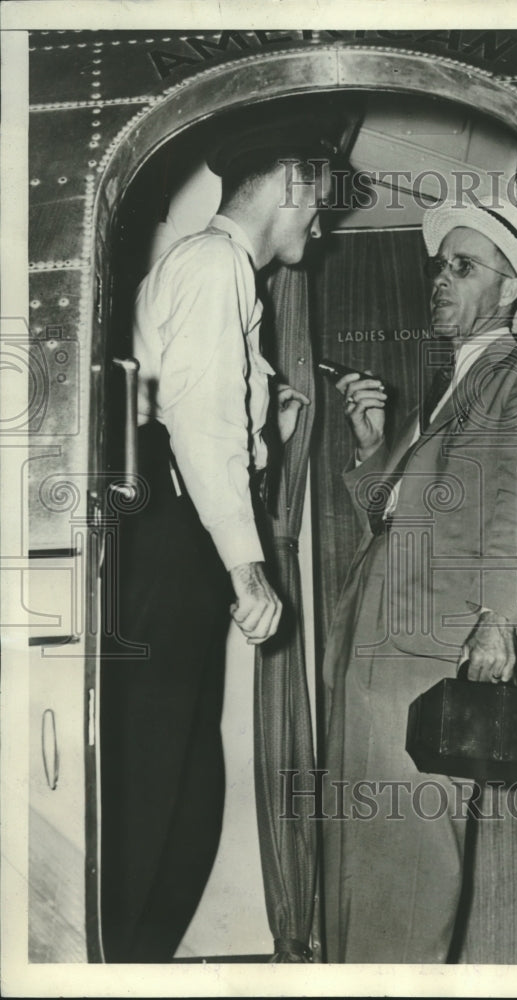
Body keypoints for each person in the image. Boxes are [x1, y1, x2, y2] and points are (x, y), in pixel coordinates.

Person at [99, 117, 339, 962]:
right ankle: (119, 963)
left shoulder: (222, 270)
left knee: (183, 778)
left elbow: (206, 410)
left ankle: (131, 961)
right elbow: (199, 427)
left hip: (173, 539)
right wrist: (247, 567)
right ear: (290, 184)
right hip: (175, 539)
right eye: (322, 194)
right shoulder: (214, 266)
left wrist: (265, 421)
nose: (323, 217)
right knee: (164, 779)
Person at [322, 198, 517, 963]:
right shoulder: (456, 381)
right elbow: (400, 513)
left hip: (427, 638)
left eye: (463, 267)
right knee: (357, 843)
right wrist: (373, 449)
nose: (439, 278)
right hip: (375, 631)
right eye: (438, 265)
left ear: (508, 294)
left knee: (407, 849)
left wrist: (499, 619)